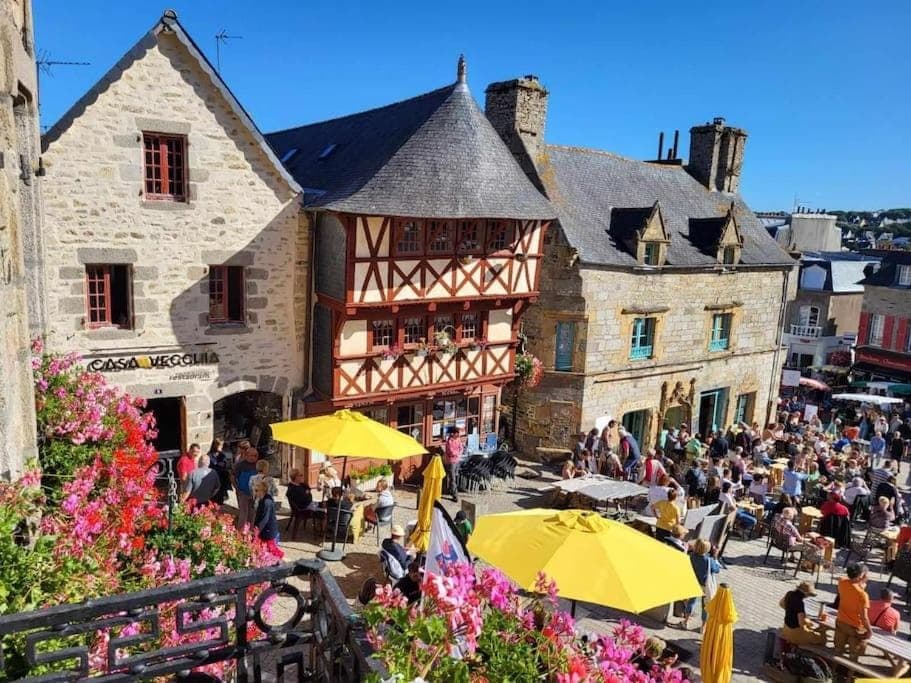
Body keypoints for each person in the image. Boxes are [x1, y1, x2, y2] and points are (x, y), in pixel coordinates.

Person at [835, 563, 871, 659]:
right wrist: (870, 630)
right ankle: (850, 674)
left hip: (841, 621)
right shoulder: (863, 595)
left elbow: (849, 585)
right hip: (855, 627)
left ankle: (833, 670)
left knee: (838, 650)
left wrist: (859, 583)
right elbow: (864, 617)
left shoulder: (842, 582)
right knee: (854, 654)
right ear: (861, 576)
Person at [685, 538, 721, 629]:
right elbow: (717, 570)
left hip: (694, 583)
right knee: (705, 606)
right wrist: (715, 557)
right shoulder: (709, 560)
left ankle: (686, 621)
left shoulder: (692, 556)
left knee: (691, 602)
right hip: (705, 586)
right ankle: (703, 626)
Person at [779, 580, 825, 646]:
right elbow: (801, 623)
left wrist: (791, 610)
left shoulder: (789, 593)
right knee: (822, 639)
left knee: (813, 632)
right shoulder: (800, 603)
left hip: (786, 628)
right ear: (806, 593)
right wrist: (809, 622)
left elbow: (781, 604)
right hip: (795, 632)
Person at [252, 480, 283, 560]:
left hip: (268, 530)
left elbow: (264, 519)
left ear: (262, 490)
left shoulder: (267, 502)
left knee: (272, 550)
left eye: (256, 490)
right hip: (266, 530)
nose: (255, 493)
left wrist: (256, 531)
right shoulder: (263, 499)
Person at [231, 441, 259, 528]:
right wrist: (237, 488)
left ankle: (251, 532)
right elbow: (233, 477)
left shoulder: (258, 465)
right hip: (243, 493)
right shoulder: (240, 465)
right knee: (243, 514)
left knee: (253, 514)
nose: (254, 458)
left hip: (255, 494)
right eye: (252, 455)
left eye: (256, 456)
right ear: (247, 455)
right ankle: (240, 533)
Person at [208, 438, 232, 505]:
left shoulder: (222, 455)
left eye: (222, 445)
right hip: (214, 479)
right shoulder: (209, 455)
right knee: (214, 498)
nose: (221, 447)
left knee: (220, 498)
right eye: (220, 445)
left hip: (222, 479)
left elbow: (225, 465)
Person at [444, 427, 463, 502]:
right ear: (453, 433)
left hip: (457, 460)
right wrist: (457, 453)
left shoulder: (458, 439)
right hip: (451, 461)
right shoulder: (449, 441)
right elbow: (451, 452)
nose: (458, 434)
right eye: (456, 433)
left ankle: (452, 490)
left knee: (455, 475)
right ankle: (455, 495)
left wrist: (458, 453)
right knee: (452, 478)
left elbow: (461, 448)